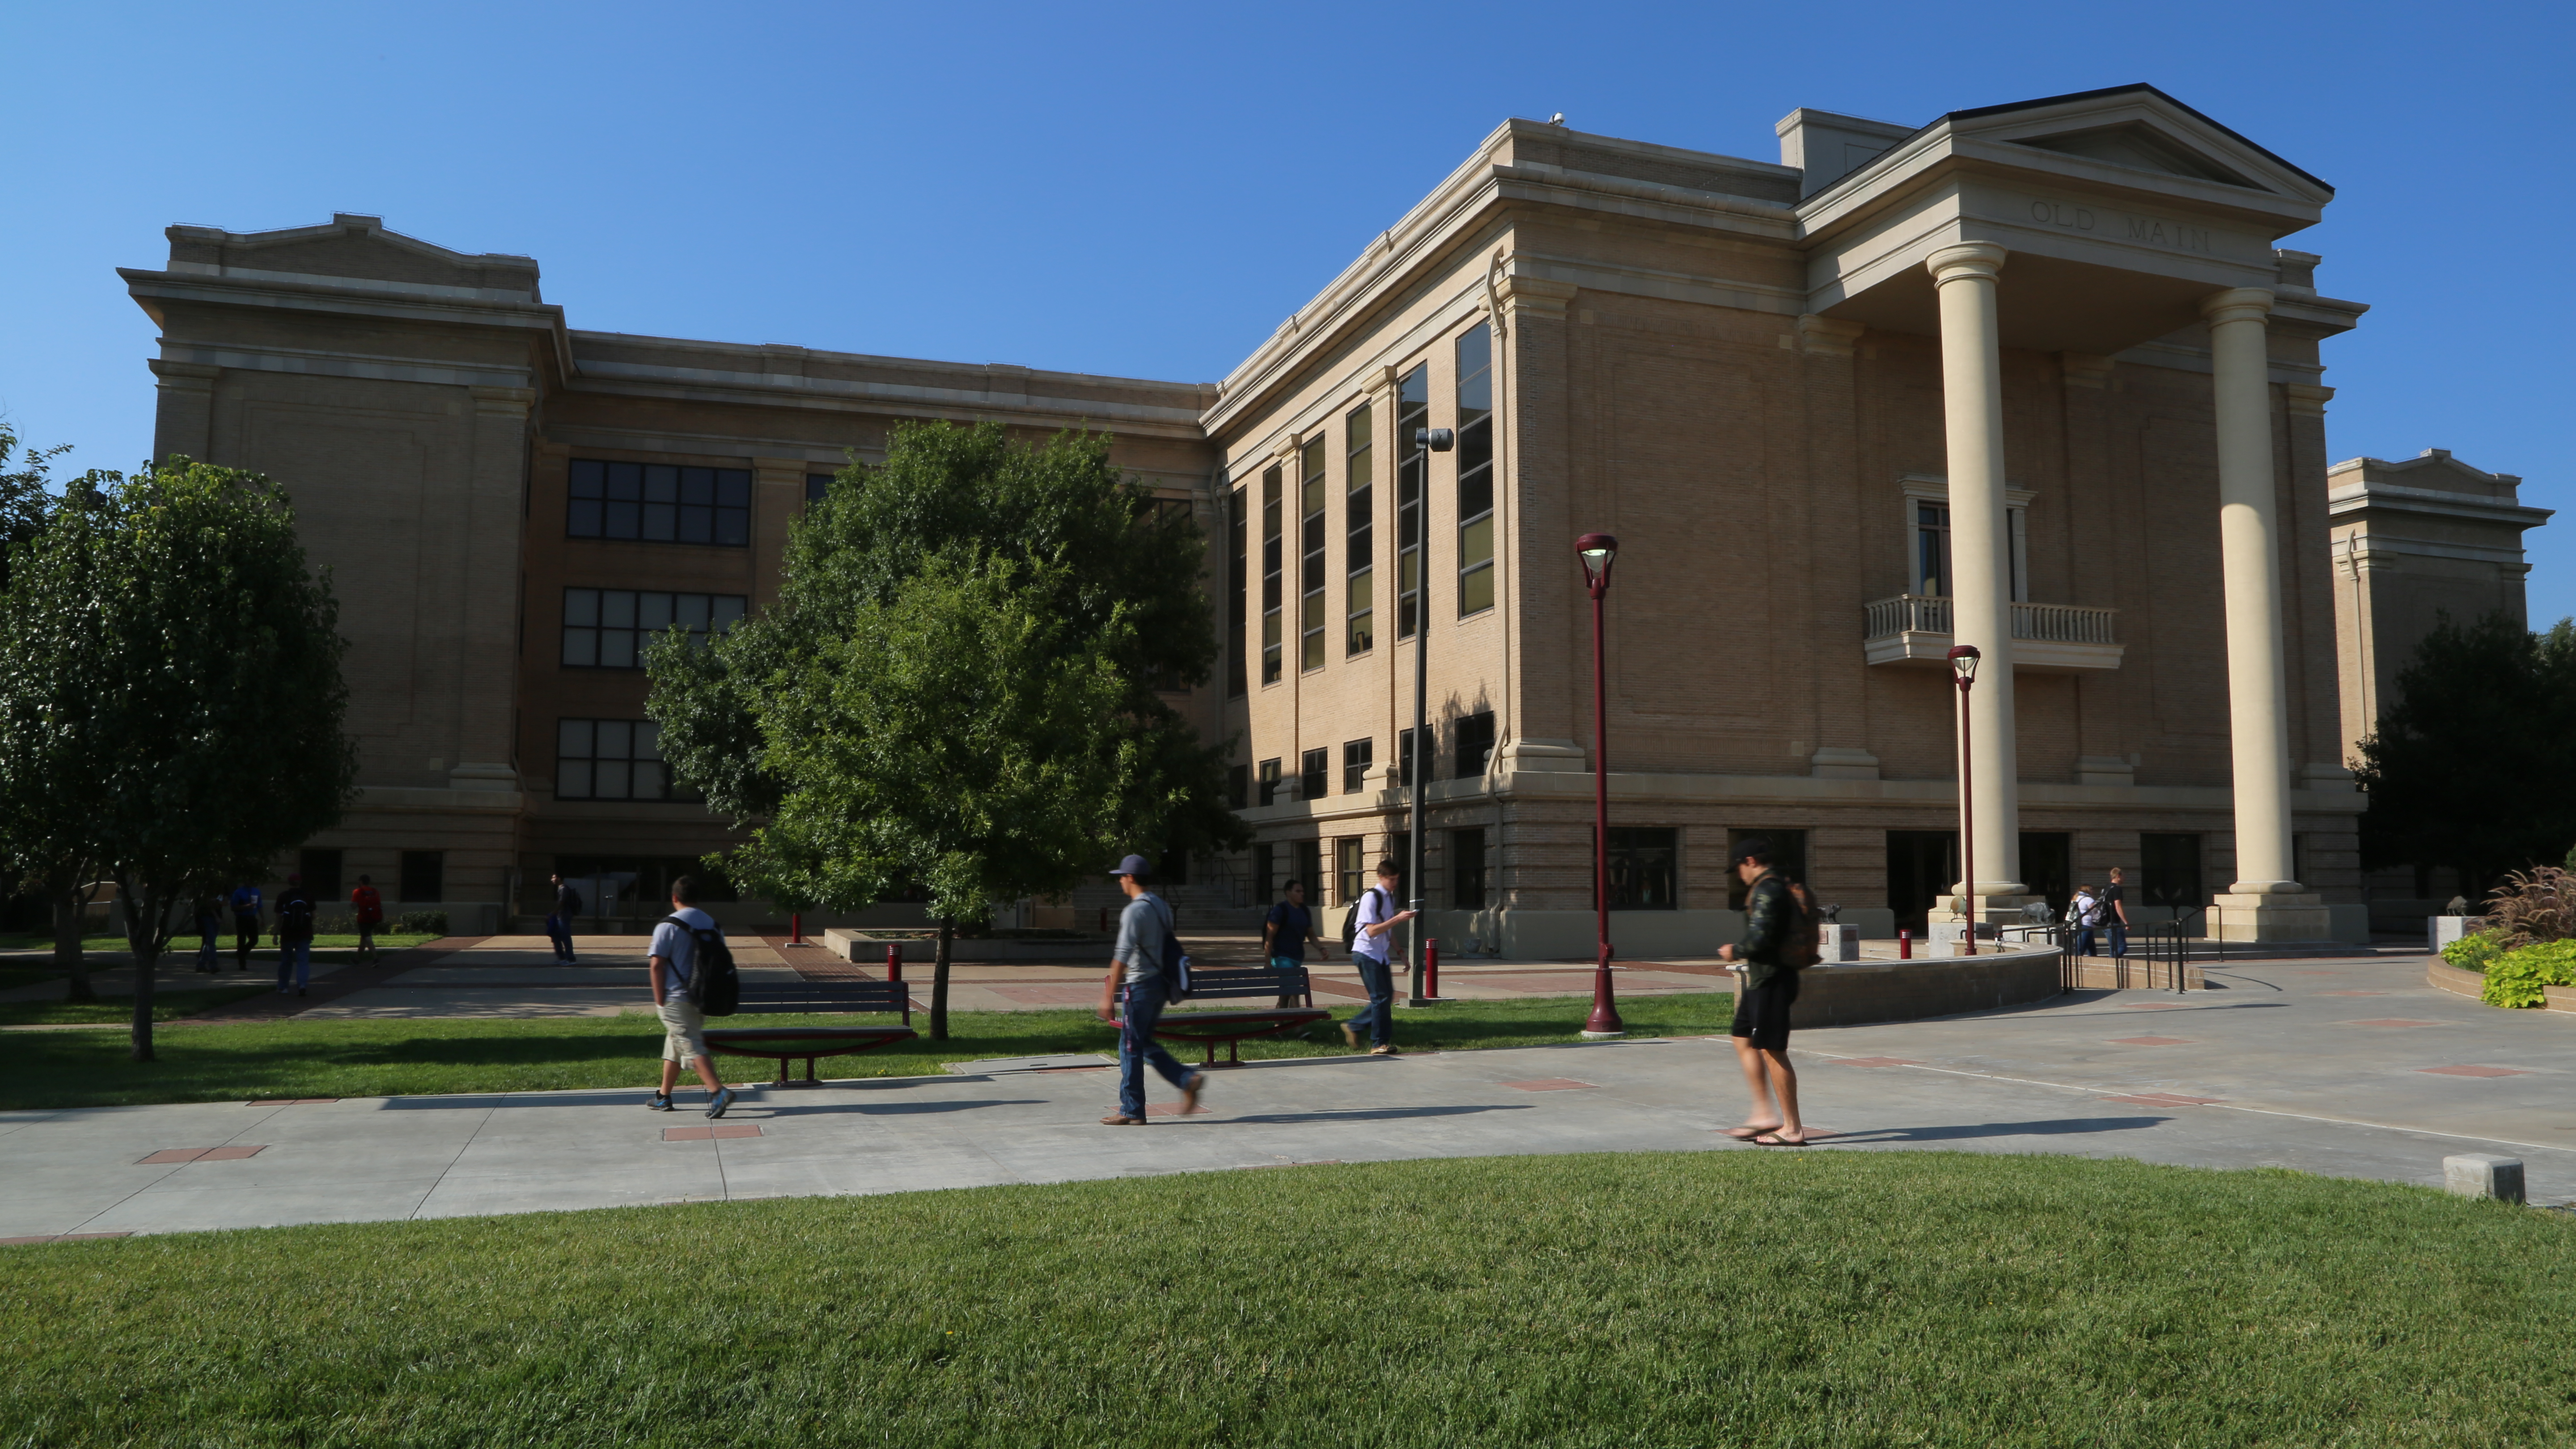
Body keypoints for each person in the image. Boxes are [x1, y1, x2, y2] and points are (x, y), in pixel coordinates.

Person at [1094, 853, 1206, 1126]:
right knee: (1142, 1042)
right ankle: (1184, 1079)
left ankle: (1132, 1109)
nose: (1120, 881)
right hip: (1160, 985)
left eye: (1122, 876)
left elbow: (1121, 956)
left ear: (1131, 878)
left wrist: (1108, 997)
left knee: (1129, 1047)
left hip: (1140, 986)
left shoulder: (1135, 910)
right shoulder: (1160, 905)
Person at [1718, 837, 1809, 1147]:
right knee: (1742, 1037)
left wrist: (1735, 950)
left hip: (1773, 980)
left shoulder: (1769, 889)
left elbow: (1762, 937)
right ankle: (1763, 1114)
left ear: (1751, 862)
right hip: (1762, 981)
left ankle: (1792, 1128)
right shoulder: (1771, 887)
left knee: (1773, 1050)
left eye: (1739, 868)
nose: (1738, 875)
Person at [646, 875, 735, 1118]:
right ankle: (664, 1097)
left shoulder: (667, 926)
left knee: (691, 1045)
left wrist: (659, 999)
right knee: (676, 1042)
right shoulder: (712, 925)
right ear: (697, 898)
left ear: (674, 898)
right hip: (702, 999)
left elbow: (657, 965)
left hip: (675, 998)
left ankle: (719, 1092)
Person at [1341, 859, 1417, 1056]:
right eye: (1392, 879)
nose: (1395, 883)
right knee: (1380, 997)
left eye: (1397, 879)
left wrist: (1401, 953)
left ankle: (1356, 1027)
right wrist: (1398, 919)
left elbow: (1387, 930)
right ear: (1381, 877)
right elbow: (1372, 930)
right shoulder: (1371, 898)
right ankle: (1378, 1043)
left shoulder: (1389, 898)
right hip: (1365, 953)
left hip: (1380, 955)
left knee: (1386, 997)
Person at [1263, 877, 1326, 1007]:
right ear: (1288, 893)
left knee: (1286, 993)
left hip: (1297, 957)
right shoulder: (1280, 911)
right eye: (1298, 891)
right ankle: (1299, 1026)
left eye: (1302, 891)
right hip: (1281, 957)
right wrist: (1267, 962)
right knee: (1295, 989)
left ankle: (1279, 1023)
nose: (1302, 894)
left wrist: (1321, 949)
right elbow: (1269, 936)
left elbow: (1311, 935)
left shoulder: (1304, 911)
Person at [273, 873, 316, 996]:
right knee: (303, 961)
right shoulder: (308, 896)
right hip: (305, 933)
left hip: (287, 933)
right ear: (300, 882)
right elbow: (314, 916)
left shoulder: (283, 896)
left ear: (289, 883)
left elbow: (279, 917)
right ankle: (302, 985)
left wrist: (275, 933)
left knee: (286, 960)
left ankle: (283, 987)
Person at [547, 873, 583, 963]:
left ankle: (571, 959)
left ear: (559, 878)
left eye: (554, 878)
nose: (552, 879)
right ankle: (562, 958)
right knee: (557, 937)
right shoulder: (561, 889)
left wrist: (553, 914)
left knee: (566, 937)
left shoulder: (563, 889)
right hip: (560, 916)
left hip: (564, 916)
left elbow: (562, 903)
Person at [228, 880, 263, 971]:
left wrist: (263, 918)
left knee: (254, 940)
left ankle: (241, 953)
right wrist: (246, 906)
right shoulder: (239, 892)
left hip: (252, 918)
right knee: (242, 940)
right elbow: (233, 907)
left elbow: (260, 906)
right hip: (242, 918)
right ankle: (242, 964)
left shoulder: (256, 891)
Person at [349, 874, 384, 963]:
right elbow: (379, 903)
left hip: (363, 918)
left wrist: (354, 904)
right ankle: (357, 959)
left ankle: (376, 958)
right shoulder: (375, 891)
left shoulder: (357, 892)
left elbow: (354, 906)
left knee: (367, 937)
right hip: (374, 917)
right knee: (364, 938)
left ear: (361, 882)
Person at [2103, 866, 2132, 959]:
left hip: (2105, 923)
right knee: (2122, 947)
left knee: (2113, 949)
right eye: (2124, 876)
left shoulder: (2107, 888)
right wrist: (2126, 922)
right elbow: (2118, 906)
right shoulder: (2117, 889)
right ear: (2118, 876)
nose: (2125, 878)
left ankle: (2111, 967)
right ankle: (2109, 964)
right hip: (2113, 923)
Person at [2071, 883, 2103, 958]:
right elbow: (2095, 911)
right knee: (2080, 950)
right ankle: (2074, 966)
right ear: (2087, 890)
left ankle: (2093, 963)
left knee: (2092, 950)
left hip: (2079, 925)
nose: (2093, 891)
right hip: (2087, 926)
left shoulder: (2076, 898)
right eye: (2091, 889)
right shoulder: (2088, 899)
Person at [193, 894, 222, 973]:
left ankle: (201, 965)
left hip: (217, 918)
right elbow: (209, 905)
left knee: (209, 942)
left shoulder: (221, 891)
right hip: (207, 917)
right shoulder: (208, 891)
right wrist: (216, 916)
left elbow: (224, 903)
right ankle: (213, 965)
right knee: (211, 942)